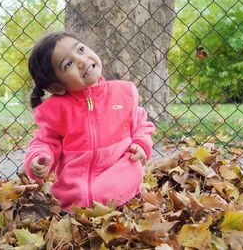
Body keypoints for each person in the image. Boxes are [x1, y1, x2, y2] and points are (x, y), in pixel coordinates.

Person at [24, 31, 155, 212]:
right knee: (77, 212)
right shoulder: (56, 110)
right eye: (68, 64)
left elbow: (141, 122)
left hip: (122, 182)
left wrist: (141, 143)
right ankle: (81, 209)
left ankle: (119, 204)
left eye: (81, 49)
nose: (82, 60)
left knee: (125, 186)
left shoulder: (122, 93)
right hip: (75, 195)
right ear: (57, 87)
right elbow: (45, 141)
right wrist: (38, 158)